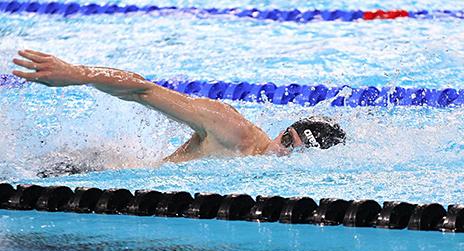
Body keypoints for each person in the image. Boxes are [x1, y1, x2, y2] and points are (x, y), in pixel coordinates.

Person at [12, 49, 346, 165]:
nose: (284, 153)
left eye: (297, 154)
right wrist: (78, 74)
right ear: (282, 132)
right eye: (287, 142)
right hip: (93, 169)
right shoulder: (232, 130)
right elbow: (143, 89)